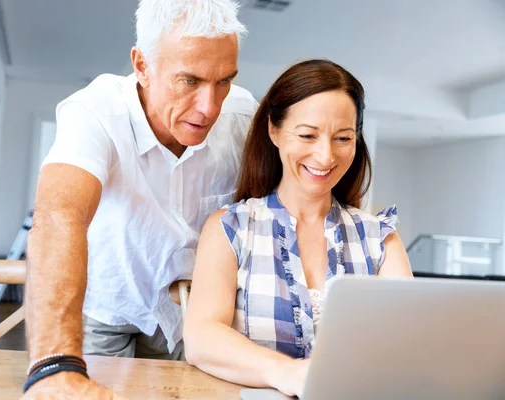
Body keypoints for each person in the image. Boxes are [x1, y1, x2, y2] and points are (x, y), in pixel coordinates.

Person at [21, 0, 257, 398]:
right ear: (142, 65)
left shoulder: (242, 116)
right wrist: (52, 365)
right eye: (190, 81)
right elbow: (59, 216)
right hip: (106, 304)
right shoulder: (95, 112)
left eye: (223, 81)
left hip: (191, 311)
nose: (210, 107)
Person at [183, 59, 413, 397]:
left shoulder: (379, 238)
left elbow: (412, 337)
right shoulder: (231, 228)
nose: (325, 156)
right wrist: (286, 373)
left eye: (343, 138)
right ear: (274, 131)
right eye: (307, 135)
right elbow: (202, 337)